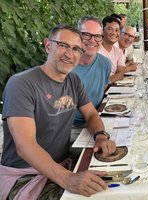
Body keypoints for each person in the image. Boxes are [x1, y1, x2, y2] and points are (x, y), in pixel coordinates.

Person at [0, 24, 116, 199]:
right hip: (24, 175)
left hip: (62, 164)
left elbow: (91, 114)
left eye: (76, 49)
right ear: (48, 45)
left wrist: (100, 135)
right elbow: (25, 146)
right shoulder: (21, 84)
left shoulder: (73, 80)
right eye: (63, 46)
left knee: (115, 180)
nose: (70, 54)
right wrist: (69, 179)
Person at [72, 16, 111, 127]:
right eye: (86, 35)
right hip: (69, 127)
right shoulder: (66, 67)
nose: (92, 40)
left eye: (97, 36)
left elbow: (101, 94)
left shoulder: (105, 64)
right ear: (77, 36)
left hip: (96, 121)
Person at [98, 16, 126, 83]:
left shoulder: (118, 52)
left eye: (117, 30)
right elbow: (99, 80)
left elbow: (121, 74)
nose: (114, 33)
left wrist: (108, 80)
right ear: (102, 31)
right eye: (110, 29)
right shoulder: (96, 51)